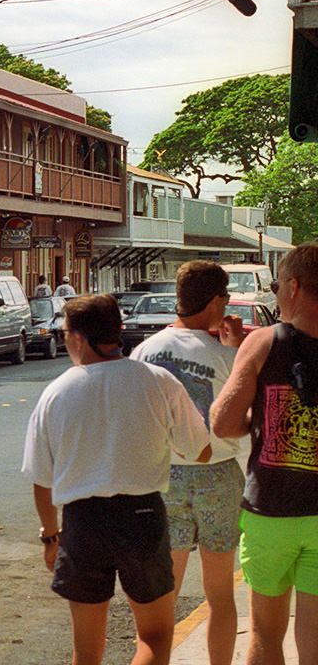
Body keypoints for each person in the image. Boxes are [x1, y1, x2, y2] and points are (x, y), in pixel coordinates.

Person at [22, 293, 212, 665]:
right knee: (155, 639)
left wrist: (50, 536)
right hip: (143, 516)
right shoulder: (157, 381)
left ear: (77, 338)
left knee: (87, 651)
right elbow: (200, 450)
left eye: (64, 334)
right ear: (118, 331)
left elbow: (41, 480)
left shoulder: (56, 393)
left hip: (82, 522)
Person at [130, 260, 246, 665]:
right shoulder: (224, 354)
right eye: (226, 296)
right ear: (215, 301)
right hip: (217, 475)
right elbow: (241, 418)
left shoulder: (144, 350)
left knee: (164, 597)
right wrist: (232, 351)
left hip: (164, 477)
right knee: (220, 597)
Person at [212, 240, 318, 665]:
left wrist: (261, 422)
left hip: (272, 512)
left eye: (274, 287)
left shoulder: (264, 344)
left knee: (265, 635)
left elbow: (222, 424)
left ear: (292, 287)